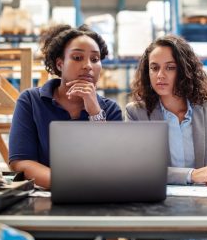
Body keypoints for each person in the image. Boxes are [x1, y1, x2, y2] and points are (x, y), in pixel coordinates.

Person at [125, 34, 207, 240]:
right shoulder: (137, 113)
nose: (160, 75)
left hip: (204, 231)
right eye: (154, 68)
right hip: (158, 232)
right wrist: (191, 174)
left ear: (184, 70)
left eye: (170, 67)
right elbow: (138, 172)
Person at [9, 24, 122, 189]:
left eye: (95, 59)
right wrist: (69, 184)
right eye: (77, 58)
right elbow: (21, 162)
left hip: (98, 198)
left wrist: (95, 112)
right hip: (47, 199)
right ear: (60, 64)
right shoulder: (30, 101)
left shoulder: (111, 110)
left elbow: (111, 164)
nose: (88, 66)